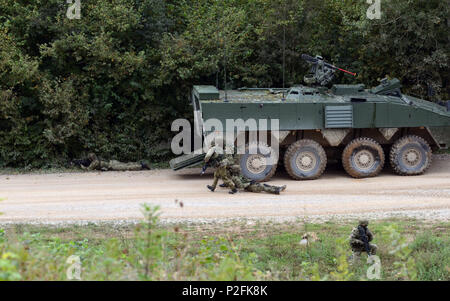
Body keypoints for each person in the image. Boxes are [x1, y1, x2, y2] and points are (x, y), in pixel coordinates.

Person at [76, 153, 150, 171]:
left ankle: (141, 166)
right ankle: (140, 163)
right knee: (126, 164)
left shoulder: (94, 162)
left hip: (112, 166)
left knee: (127, 167)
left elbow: (88, 169)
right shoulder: (97, 159)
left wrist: (81, 166)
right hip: (112, 162)